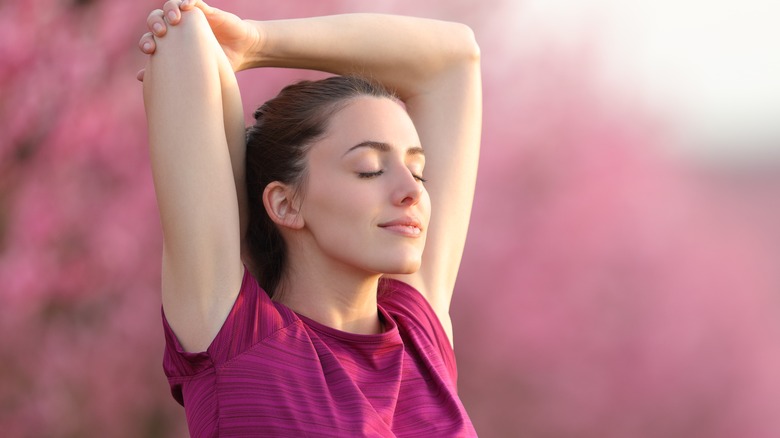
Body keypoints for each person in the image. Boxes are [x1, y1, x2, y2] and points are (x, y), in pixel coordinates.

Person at [138, 0, 481, 435]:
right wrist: (209, 40)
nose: (412, 191)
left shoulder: (419, 341)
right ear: (285, 204)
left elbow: (455, 58)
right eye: (370, 169)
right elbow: (183, 40)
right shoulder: (237, 339)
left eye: (418, 171)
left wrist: (258, 42)